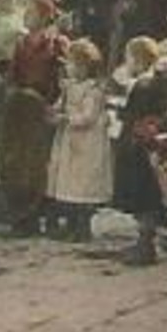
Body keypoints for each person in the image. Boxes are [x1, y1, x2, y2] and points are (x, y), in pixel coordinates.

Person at [0, 0, 69, 236]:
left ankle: (47, 215)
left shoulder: (56, 43)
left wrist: (53, 104)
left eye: (31, 13)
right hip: (21, 108)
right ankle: (22, 217)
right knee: (19, 162)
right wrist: (12, 92)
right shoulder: (21, 43)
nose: (26, 17)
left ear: (44, 17)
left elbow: (63, 78)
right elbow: (13, 74)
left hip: (44, 108)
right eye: (26, 12)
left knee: (43, 162)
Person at [110, 36, 167, 265]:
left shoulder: (143, 84)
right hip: (146, 142)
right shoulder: (157, 81)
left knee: (142, 194)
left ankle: (145, 245)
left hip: (137, 144)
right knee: (148, 194)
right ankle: (145, 241)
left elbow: (132, 113)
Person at [46, 39, 112, 243]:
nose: (69, 67)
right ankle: (72, 223)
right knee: (69, 183)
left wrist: (66, 119)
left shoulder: (93, 90)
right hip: (70, 140)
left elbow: (88, 117)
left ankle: (83, 226)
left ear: (85, 66)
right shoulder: (69, 87)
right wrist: (53, 111)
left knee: (83, 183)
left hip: (87, 141)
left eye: (73, 63)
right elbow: (60, 105)